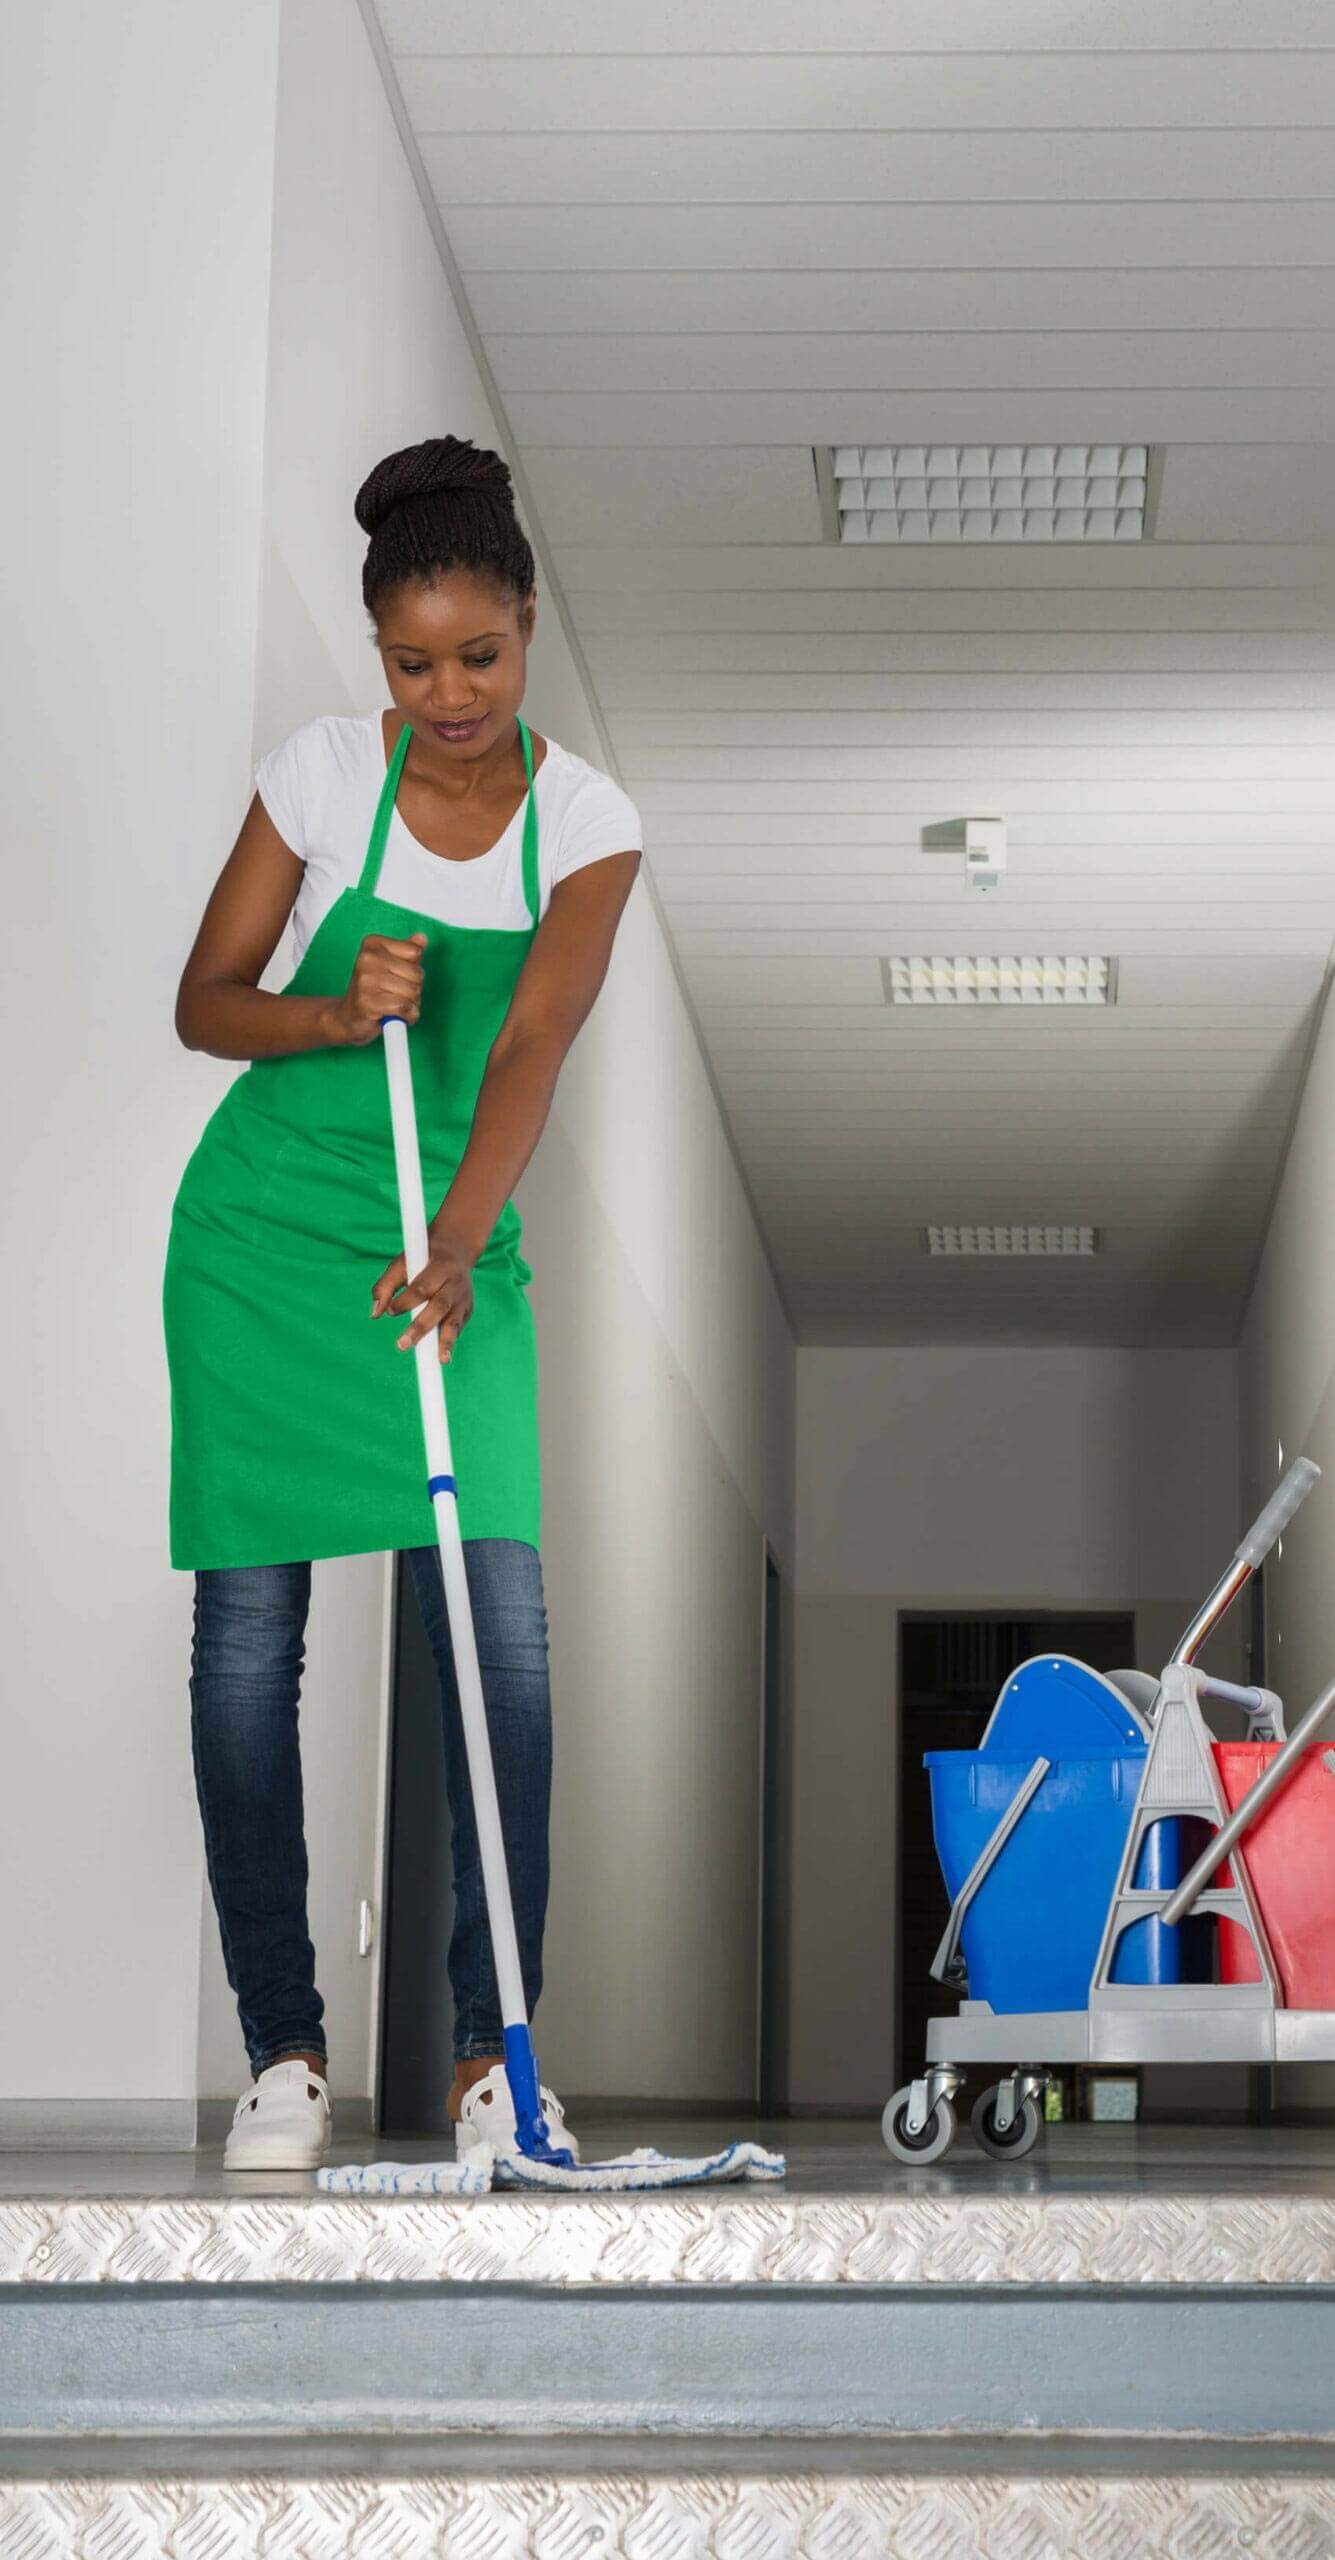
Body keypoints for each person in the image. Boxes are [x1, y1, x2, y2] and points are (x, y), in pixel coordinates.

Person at [162, 434, 642, 2170]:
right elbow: (207, 1004)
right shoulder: (317, 778)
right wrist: (331, 1010)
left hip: (459, 1242)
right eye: (412, 662)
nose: (448, 694)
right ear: (381, 656)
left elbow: (528, 1043)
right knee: (248, 1647)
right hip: (270, 1242)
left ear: (528, 620)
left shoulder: (586, 826)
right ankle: (283, 2050)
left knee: (498, 1651)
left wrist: (456, 1237)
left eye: (480, 656)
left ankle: (484, 2062)